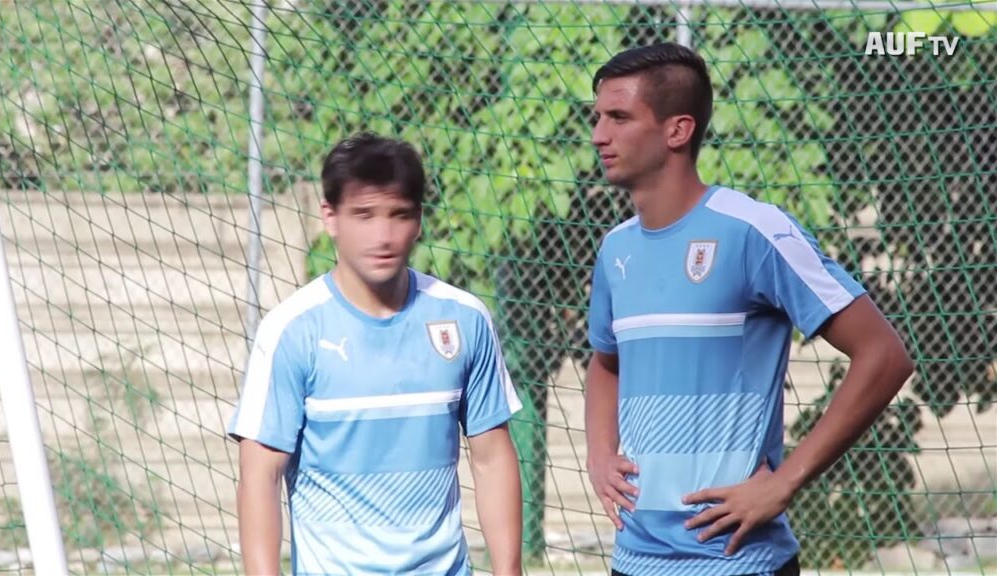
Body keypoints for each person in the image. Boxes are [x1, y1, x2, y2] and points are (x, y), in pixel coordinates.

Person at [584, 43, 914, 576]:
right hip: (635, 560)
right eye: (597, 117)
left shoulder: (754, 230)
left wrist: (783, 484)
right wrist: (599, 456)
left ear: (678, 130)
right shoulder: (614, 250)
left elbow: (884, 355)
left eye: (619, 117)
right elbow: (605, 363)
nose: (599, 134)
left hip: (738, 562)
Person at [228, 133, 524, 575]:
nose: (383, 235)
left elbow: (491, 456)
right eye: (364, 215)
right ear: (330, 216)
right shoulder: (291, 331)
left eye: (399, 215)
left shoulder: (464, 319)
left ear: (419, 219)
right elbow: (259, 476)